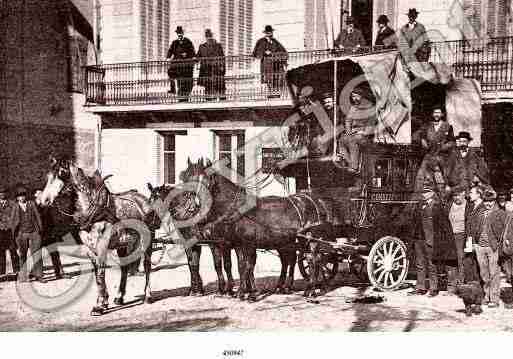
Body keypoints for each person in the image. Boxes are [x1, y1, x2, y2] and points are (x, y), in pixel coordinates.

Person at [467, 187, 507, 308]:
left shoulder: (500, 213)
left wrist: (501, 244)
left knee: (494, 273)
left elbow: (504, 231)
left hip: (493, 247)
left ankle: (494, 299)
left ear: (494, 201)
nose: (488, 204)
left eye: (490, 201)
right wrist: (473, 243)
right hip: (480, 246)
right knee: (484, 273)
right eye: (486, 201)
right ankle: (486, 296)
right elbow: (473, 228)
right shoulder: (480, 213)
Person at [408, 187, 443, 297]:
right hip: (419, 239)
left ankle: (434, 288)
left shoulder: (436, 207)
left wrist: (437, 240)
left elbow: (440, 225)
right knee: (420, 264)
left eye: (426, 192)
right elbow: (414, 221)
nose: (423, 194)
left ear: (432, 193)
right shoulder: (418, 206)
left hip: (430, 240)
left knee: (431, 264)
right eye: (422, 192)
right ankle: (420, 287)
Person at [414, 106, 455, 196]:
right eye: (435, 112)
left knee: (445, 178)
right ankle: (422, 199)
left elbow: (452, 142)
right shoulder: (427, 126)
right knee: (421, 177)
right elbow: (417, 135)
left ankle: (445, 199)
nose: (436, 114)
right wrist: (422, 141)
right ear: (432, 114)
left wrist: (443, 147)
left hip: (442, 156)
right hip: (429, 155)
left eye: (438, 112)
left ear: (442, 114)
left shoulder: (447, 126)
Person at [11, 186, 46, 283]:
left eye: (23, 196)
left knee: (37, 254)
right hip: (21, 234)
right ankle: (23, 276)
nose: (22, 198)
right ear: (17, 198)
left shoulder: (31, 204)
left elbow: (38, 217)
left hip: (34, 232)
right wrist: (15, 235)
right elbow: (13, 221)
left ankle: (39, 276)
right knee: (22, 255)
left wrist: (40, 230)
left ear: (26, 196)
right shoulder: (15, 206)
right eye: (20, 196)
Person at [338, 87, 377, 173]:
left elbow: (371, 123)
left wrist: (364, 132)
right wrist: (348, 131)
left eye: (356, 96)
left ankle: (354, 167)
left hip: (366, 136)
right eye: (352, 96)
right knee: (342, 140)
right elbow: (348, 120)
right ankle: (350, 162)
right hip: (354, 133)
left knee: (352, 140)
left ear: (362, 96)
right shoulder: (353, 108)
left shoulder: (370, 107)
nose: (354, 98)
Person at [445, 186, 472, 292]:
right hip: (450, 236)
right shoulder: (449, 205)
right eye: (454, 196)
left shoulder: (469, 206)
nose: (456, 198)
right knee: (450, 260)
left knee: (461, 259)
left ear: (464, 194)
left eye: (458, 195)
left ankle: (461, 284)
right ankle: (451, 285)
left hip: (462, 236)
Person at [252, 25, 288, 97]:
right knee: (269, 78)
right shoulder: (261, 41)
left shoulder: (275, 42)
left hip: (276, 64)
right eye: (268, 32)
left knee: (276, 78)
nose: (270, 34)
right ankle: (271, 92)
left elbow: (284, 51)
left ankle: (276, 92)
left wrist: (277, 56)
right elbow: (255, 53)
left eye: (271, 32)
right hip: (267, 64)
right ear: (265, 33)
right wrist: (264, 52)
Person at [166, 26, 196, 101]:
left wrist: (187, 54)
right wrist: (168, 57)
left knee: (186, 82)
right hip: (178, 66)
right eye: (178, 33)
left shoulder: (188, 41)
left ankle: (185, 97)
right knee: (177, 80)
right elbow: (170, 51)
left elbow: (192, 52)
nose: (179, 34)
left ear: (183, 33)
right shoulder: (175, 42)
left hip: (186, 67)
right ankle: (177, 93)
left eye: (180, 33)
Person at [196, 29, 226, 101]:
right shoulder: (202, 46)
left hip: (216, 69)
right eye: (207, 36)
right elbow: (197, 57)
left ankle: (221, 100)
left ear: (212, 36)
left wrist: (222, 68)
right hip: (206, 70)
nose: (209, 38)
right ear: (206, 37)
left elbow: (222, 58)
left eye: (210, 36)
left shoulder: (218, 46)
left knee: (219, 86)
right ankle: (210, 99)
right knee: (208, 87)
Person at [0, 186, 20, 277]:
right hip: (0, 231)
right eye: (0, 193)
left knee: (13, 250)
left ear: (7, 193)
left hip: (10, 231)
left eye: (4, 192)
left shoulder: (13, 204)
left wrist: (12, 226)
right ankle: (1, 272)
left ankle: (17, 271)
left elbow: (16, 217)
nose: (2, 194)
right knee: (1, 252)